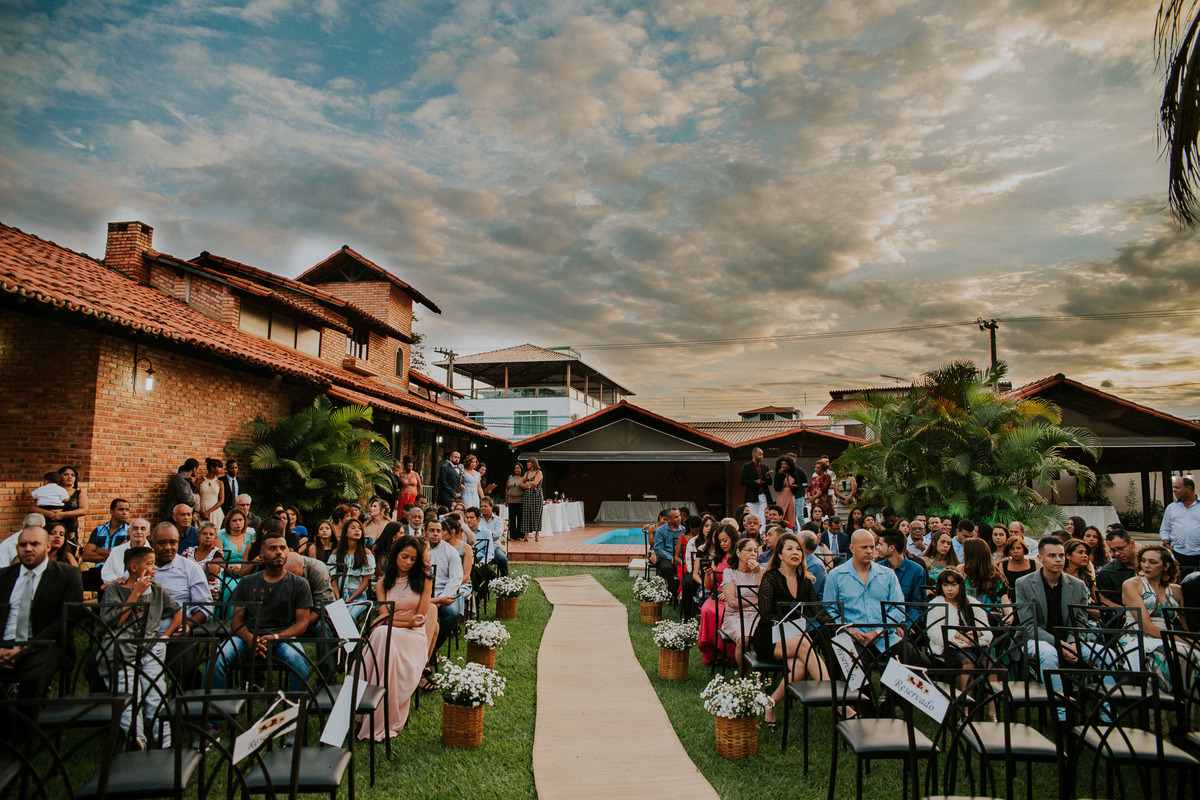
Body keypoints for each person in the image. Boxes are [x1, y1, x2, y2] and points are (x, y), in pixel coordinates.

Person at [209, 530, 314, 691]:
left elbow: (302, 624)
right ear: (262, 554)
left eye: (282, 548)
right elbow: (236, 620)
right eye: (272, 548)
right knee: (216, 659)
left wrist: (276, 637)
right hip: (248, 638)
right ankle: (212, 712)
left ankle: (297, 712)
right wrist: (249, 638)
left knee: (298, 660)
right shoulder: (247, 582)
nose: (278, 552)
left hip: (283, 639)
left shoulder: (300, 584)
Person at [101, 545, 183, 747]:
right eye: (150, 564)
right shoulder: (114, 590)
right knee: (130, 693)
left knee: (157, 692)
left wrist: (165, 635)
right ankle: (135, 736)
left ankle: (166, 739)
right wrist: (135, 593)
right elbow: (116, 622)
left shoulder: (157, 590)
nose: (154, 568)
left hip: (150, 649)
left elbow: (178, 612)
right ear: (134, 568)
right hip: (123, 649)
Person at [356, 535, 432, 740]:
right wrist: (401, 621)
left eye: (413, 559)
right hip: (391, 632)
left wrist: (398, 621)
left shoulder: (424, 580)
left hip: (413, 637)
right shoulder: (383, 583)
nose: (408, 562)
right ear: (395, 555)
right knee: (381, 634)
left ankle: (364, 709)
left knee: (380, 633)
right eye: (404, 556)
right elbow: (382, 615)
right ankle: (370, 708)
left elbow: (420, 619)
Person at [755, 533, 833, 728]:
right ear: (780, 554)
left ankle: (769, 704)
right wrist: (793, 627)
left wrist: (835, 626)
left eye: (798, 549)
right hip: (769, 637)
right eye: (789, 549)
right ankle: (835, 698)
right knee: (804, 643)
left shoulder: (805, 580)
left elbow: (817, 610)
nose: (795, 552)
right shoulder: (771, 577)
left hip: (794, 636)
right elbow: (766, 615)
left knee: (799, 667)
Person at [0, 525, 85, 698]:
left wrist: (24, 649)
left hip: (44, 644)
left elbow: (68, 619)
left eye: (34, 544)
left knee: (32, 678)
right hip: (4, 643)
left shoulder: (67, 574)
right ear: (17, 548)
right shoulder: (4, 576)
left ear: (47, 546)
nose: (28, 549)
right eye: (23, 545)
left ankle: (25, 723)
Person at [1013, 536, 1093, 715]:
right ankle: (1061, 713)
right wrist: (1060, 645)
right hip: (1036, 638)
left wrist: (1072, 643)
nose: (1058, 560)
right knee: (1049, 654)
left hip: (1070, 641)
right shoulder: (1024, 584)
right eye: (1052, 555)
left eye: (1061, 555)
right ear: (1040, 558)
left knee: (1106, 655)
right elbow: (1028, 625)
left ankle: (1108, 715)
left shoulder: (1078, 585)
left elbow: (1080, 621)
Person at [1121, 544, 1194, 689]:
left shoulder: (1176, 590)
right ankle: (1164, 705)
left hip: (1169, 637)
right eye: (1143, 560)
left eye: (1152, 562)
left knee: (1193, 654)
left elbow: (1186, 626)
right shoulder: (1132, 585)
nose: (1146, 566)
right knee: (1176, 653)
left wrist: (1192, 640)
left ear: (1166, 566)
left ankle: (1189, 705)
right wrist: (1188, 642)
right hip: (1139, 636)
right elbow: (1147, 627)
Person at [927, 570, 997, 717]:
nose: (949, 589)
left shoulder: (971, 603)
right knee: (968, 662)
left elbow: (985, 627)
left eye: (953, 584)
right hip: (950, 645)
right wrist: (957, 635)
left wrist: (977, 633)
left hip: (974, 643)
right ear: (941, 587)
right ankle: (965, 709)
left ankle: (993, 710)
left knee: (991, 663)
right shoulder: (937, 604)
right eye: (945, 585)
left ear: (960, 585)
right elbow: (933, 632)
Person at [719, 537, 764, 666]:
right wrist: (757, 601)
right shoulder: (730, 572)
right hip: (735, 615)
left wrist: (758, 574)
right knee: (743, 639)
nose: (753, 554)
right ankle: (743, 676)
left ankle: (760, 675)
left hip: (758, 615)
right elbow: (732, 602)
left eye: (755, 551)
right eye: (749, 550)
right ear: (738, 553)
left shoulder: (760, 572)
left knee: (767, 637)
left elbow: (765, 598)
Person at [698, 524, 737, 665]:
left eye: (725, 540)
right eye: (720, 541)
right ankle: (714, 652)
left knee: (721, 614)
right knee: (707, 609)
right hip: (717, 594)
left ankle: (727, 653)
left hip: (734, 595)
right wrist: (709, 575)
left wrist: (730, 594)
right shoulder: (718, 558)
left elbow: (745, 579)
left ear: (733, 538)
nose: (722, 544)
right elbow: (709, 586)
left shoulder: (739, 557)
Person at [425, 518, 464, 654]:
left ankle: (433, 649)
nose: (435, 534)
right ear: (425, 532)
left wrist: (441, 599)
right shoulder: (417, 549)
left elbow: (455, 579)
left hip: (444, 594)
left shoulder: (450, 551)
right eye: (432, 530)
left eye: (438, 531)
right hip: (422, 595)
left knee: (452, 614)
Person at [328, 518, 375, 620]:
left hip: (358, 596)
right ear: (345, 533)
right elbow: (333, 580)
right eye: (353, 528)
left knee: (347, 617)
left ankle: (349, 636)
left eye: (359, 528)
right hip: (339, 594)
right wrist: (338, 598)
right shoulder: (337, 553)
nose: (357, 530)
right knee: (335, 619)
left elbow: (366, 581)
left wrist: (350, 599)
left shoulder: (366, 553)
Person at [82, 498, 131, 589]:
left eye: (127, 510)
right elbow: (86, 555)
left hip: (118, 572)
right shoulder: (99, 530)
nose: (125, 513)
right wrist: (114, 553)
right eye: (121, 509)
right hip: (98, 569)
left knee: (104, 584)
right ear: (111, 511)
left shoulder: (130, 531)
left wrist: (98, 550)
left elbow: (125, 556)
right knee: (76, 579)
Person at [877, 530, 928, 607]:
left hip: (906, 617)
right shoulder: (877, 568)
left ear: (891, 548)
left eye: (880, 544)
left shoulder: (917, 571)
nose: (877, 547)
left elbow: (917, 606)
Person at [1161, 476, 1200, 573]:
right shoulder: (1171, 508)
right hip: (1178, 554)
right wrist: (1166, 545)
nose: (1174, 490)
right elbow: (1165, 529)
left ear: (1188, 488)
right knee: (1178, 584)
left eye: (1177, 487)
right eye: (1174, 487)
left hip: (1198, 554)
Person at [41, 466, 88, 545]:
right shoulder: (49, 491)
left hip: (69, 529)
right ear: (59, 477)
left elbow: (84, 510)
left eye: (72, 475)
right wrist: (50, 514)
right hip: (50, 527)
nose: (70, 477)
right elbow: (33, 508)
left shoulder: (79, 493)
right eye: (66, 474)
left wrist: (63, 514)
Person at [100, 517, 151, 585]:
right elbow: (107, 573)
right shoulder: (117, 551)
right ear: (128, 532)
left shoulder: (153, 553)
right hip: (119, 588)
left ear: (148, 532)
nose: (139, 532)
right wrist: (116, 580)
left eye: (143, 529)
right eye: (135, 529)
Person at [1096, 528, 1139, 607]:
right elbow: (1107, 603)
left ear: (1132, 544)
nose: (1117, 553)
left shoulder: (1148, 566)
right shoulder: (1107, 573)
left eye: (1120, 548)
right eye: (1113, 550)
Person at [184, 520, 225, 601]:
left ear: (215, 538)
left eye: (211, 534)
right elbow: (180, 570)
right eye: (204, 534)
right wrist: (202, 569)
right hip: (187, 589)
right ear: (198, 537)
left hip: (208, 590)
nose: (208, 536)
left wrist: (190, 570)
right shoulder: (188, 551)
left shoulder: (217, 553)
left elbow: (211, 574)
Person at [961, 537, 1010, 606]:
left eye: (965, 552)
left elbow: (1008, 611)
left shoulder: (996, 581)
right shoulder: (963, 578)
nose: (962, 554)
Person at [739, 447, 773, 526]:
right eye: (759, 454)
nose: (761, 456)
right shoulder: (747, 466)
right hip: (752, 496)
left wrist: (767, 477)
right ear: (754, 455)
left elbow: (770, 483)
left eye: (762, 455)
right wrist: (754, 482)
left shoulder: (765, 467)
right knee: (752, 517)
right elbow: (742, 482)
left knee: (762, 518)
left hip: (763, 495)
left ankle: (761, 534)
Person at [1063, 539, 1098, 604]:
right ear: (1068, 555)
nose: (1085, 556)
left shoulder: (1085, 576)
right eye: (1080, 552)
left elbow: (1100, 599)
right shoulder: (1061, 576)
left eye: (1086, 553)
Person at [196, 458, 225, 530]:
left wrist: (209, 511)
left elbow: (221, 500)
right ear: (212, 468)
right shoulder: (200, 481)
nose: (221, 470)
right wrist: (201, 511)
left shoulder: (220, 483)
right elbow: (196, 497)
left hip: (215, 511)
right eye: (219, 468)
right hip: (202, 510)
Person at [773, 455, 801, 529]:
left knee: (791, 513)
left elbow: (797, 487)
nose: (783, 466)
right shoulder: (778, 474)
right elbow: (776, 487)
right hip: (782, 494)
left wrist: (793, 487)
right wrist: (781, 475)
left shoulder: (793, 474)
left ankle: (790, 528)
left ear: (789, 465)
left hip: (791, 494)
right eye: (782, 464)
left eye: (785, 464)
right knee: (781, 511)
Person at [520, 457, 544, 542]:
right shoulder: (527, 473)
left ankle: (537, 533)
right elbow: (521, 484)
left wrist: (528, 483)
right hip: (527, 495)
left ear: (533, 464)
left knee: (537, 514)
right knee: (526, 514)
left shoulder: (539, 472)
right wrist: (528, 485)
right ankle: (526, 534)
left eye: (528, 463)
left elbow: (535, 483)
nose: (527, 464)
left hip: (536, 495)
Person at [506, 463, 525, 541]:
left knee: (520, 519)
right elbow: (507, 488)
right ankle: (512, 536)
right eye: (515, 468)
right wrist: (506, 499)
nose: (516, 469)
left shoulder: (523, 478)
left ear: (521, 469)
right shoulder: (510, 477)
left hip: (521, 501)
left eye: (518, 468)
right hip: (511, 501)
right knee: (512, 518)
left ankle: (520, 536)